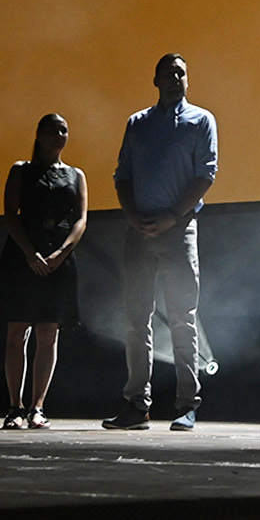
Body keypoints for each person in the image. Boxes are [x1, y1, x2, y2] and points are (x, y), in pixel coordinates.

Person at [103, 52, 218, 431]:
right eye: (168, 74)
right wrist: (133, 216)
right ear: (155, 80)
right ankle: (137, 405)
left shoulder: (201, 120)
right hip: (138, 233)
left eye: (181, 73)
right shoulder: (137, 123)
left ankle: (187, 404)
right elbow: (122, 175)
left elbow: (206, 175)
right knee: (136, 321)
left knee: (182, 319)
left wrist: (172, 217)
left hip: (179, 230)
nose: (175, 78)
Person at [0, 112, 88, 429]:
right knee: (17, 330)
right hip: (22, 256)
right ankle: (14, 407)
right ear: (39, 135)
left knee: (48, 332)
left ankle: (37, 407)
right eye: (54, 130)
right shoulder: (21, 170)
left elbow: (80, 219)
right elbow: (10, 214)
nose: (60, 135)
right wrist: (30, 253)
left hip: (59, 257)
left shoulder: (76, 175)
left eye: (64, 130)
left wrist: (61, 253)